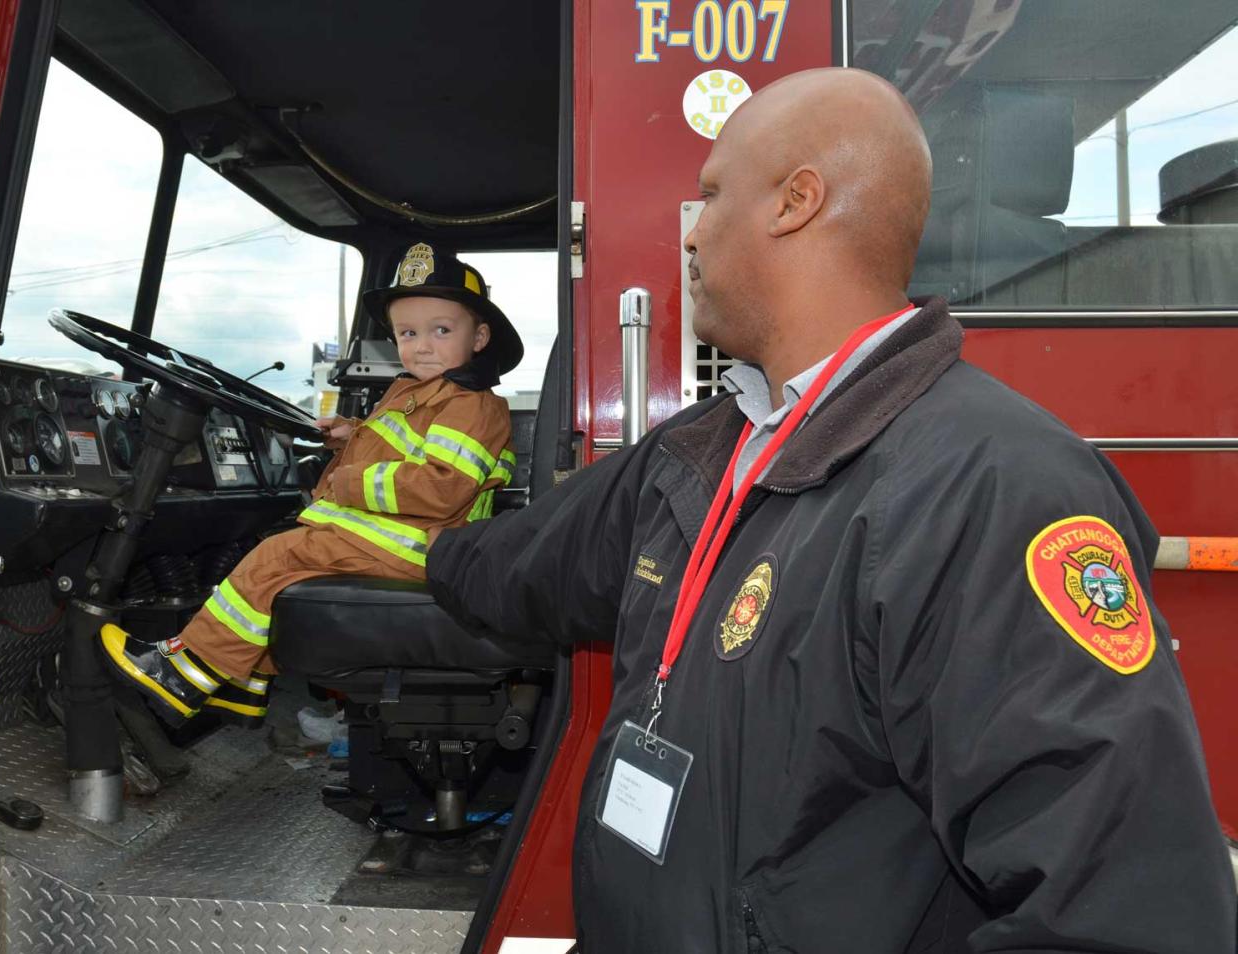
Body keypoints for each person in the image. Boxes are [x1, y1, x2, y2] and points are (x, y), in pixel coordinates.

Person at [426, 69, 1237, 952]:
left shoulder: (992, 487)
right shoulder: (707, 446)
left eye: (711, 196)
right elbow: (529, 563)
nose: (691, 238)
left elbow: (1122, 913)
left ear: (795, 202)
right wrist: (414, 548)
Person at [101, 244, 521, 725]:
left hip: (424, 547)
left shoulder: (470, 404)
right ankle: (245, 683)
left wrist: (346, 482)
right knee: (276, 558)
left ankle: (183, 673)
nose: (421, 345)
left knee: (277, 557)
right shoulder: (420, 390)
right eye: (407, 333)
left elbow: (441, 487)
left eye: (441, 331)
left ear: (481, 336)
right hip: (405, 540)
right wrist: (351, 435)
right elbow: (399, 453)